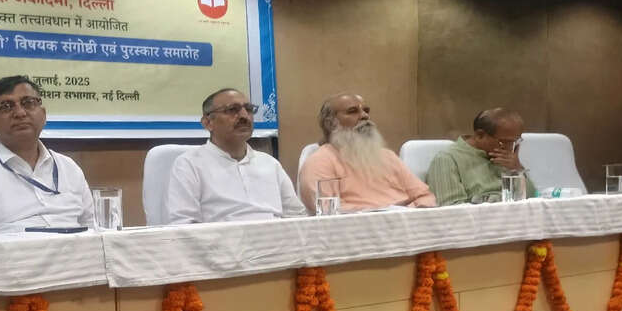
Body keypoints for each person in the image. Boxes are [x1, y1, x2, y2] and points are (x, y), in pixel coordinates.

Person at [0, 75, 94, 236]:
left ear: (43, 115)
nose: (20, 113)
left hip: (76, 250)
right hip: (9, 252)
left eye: (28, 103)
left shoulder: (68, 167)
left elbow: (94, 231)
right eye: (5, 106)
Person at [164, 88, 305, 224]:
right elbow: (184, 224)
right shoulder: (189, 164)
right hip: (222, 240)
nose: (244, 116)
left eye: (248, 109)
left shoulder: (270, 163)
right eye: (232, 110)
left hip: (275, 238)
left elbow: (297, 216)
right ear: (208, 123)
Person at [298, 93, 435, 213]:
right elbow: (327, 210)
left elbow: (424, 196)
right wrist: (380, 216)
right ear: (330, 123)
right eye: (353, 111)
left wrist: (406, 213)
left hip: (405, 223)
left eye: (366, 110)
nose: (365, 116)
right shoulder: (320, 161)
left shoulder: (388, 156)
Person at [426, 108, 536, 205]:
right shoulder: (447, 159)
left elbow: (532, 199)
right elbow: (451, 209)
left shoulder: (506, 159)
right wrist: (495, 200)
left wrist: (517, 169)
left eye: (515, 142)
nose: (510, 148)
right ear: (480, 135)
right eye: (504, 142)